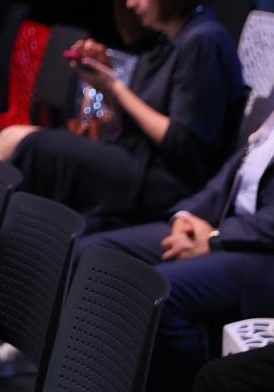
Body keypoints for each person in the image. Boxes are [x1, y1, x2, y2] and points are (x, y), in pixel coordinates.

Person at [0, 0, 246, 229]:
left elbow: (182, 143)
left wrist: (115, 87)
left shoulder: (204, 42)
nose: (130, 2)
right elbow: (132, 122)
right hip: (137, 162)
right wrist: (102, 82)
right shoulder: (167, 42)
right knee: (14, 137)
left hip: (167, 182)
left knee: (24, 143)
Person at [77, 110, 274, 392]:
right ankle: (87, 377)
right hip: (224, 227)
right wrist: (185, 216)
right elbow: (230, 176)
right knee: (94, 254)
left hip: (261, 251)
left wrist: (216, 239)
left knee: (157, 291)